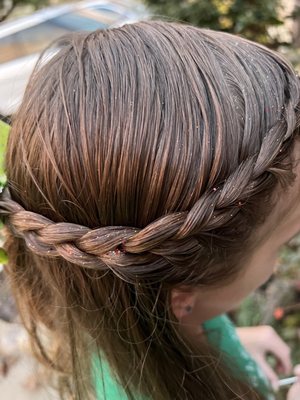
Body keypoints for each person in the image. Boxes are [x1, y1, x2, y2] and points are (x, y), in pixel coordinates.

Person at [1, 20, 300, 400]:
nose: (284, 256)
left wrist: (228, 343)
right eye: (284, 243)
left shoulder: (119, 308)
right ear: (183, 300)